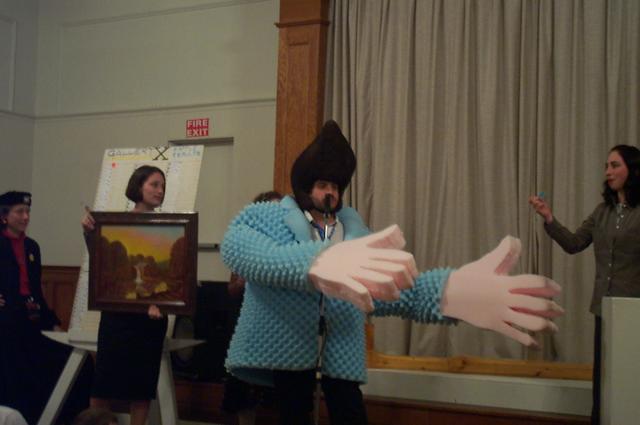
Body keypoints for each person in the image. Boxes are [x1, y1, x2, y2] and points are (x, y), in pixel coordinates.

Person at [222, 120, 563, 425]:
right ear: (306, 185)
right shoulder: (271, 216)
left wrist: (447, 293)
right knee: (293, 414)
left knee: (350, 413)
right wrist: (316, 262)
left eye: (336, 187)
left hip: (340, 345)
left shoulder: (355, 233)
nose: (330, 192)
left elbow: (389, 288)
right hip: (290, 345)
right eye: (323, 184)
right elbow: (242, 249)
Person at [529, 144, 640, 425]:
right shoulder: (602, 212)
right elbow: (574, 243)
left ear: (632, 169)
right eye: (606, 166)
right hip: (604, 310)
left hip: (634, 313)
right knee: (604, 381)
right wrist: (549, 217)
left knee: (630, 381)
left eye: (615, 165)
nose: (608, 172)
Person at [81, 166, 168, 425]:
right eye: (154, 184)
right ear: (138, 186)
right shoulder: (114, 224)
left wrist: (161, 303)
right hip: (117, 315)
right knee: (103, 383)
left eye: (163, 186)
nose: (160, 190)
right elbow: (102, 262)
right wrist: (89, 232)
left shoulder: (169, 226)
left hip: (151, 319)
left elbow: (168, 276)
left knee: (142, 388)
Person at [0, 191, 92, 424]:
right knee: (17, 364)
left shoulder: (32, 247)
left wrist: (53, 323)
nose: (26, 216)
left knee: (74, 358)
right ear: (4, 216)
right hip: (6, 323)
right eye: (19, 211)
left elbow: (36, 293)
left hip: (32, 319)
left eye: (28, 211)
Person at [222, 190, 282, 425]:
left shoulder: (290, 244)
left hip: (278, 327)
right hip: (248, 323)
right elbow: (232, 290)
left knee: (279, 391)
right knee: (243, 389)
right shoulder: (246, 243)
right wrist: (245, 278)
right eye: (272, 208)